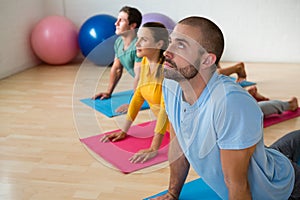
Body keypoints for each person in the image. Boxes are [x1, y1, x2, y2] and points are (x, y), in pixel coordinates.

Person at [151, 16, 299, 199]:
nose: (167, 51)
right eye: (171, 41)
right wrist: (173, 194)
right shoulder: (172, 84)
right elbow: (178, 146)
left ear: (206, 60)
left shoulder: (231, 103)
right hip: (265, 160)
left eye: (181, 45)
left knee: (279, 161)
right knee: (276, 153)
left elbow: (237, 184)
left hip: (284, 189)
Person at [101, 22, 169, 163]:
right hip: (167, 129)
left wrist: (153, 148)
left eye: (143, 39)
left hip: (184, 130)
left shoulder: (167, 72)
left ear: (159, 44)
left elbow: (165, 110)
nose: (137, 43)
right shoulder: (145, 61)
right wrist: (124, 131)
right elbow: (138, 96)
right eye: (138, 38)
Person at [92, 6, 142, 113]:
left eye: (122, 20)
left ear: (133, 26)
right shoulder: (119, 42)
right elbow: (117, 69)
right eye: (117, 20)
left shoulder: (139, 45)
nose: (116, 23)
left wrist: (133, 104)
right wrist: (108, 92)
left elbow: (140, 76)